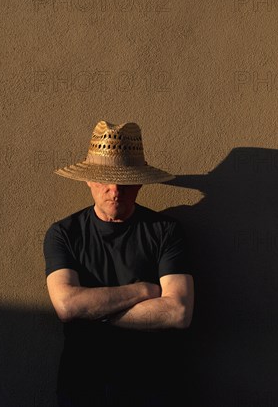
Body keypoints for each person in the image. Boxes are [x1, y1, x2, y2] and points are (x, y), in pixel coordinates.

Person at [43, 120, 194, 407]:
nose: (115, 190)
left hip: (152, 385)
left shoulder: (165, 231)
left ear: (139, 182)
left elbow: (178, 312)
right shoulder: (64, 233)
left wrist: (92, 313)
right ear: (88, 180)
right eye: (105, 178)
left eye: (124, 180)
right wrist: (144, 291)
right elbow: (67, 306)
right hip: (83, 384)